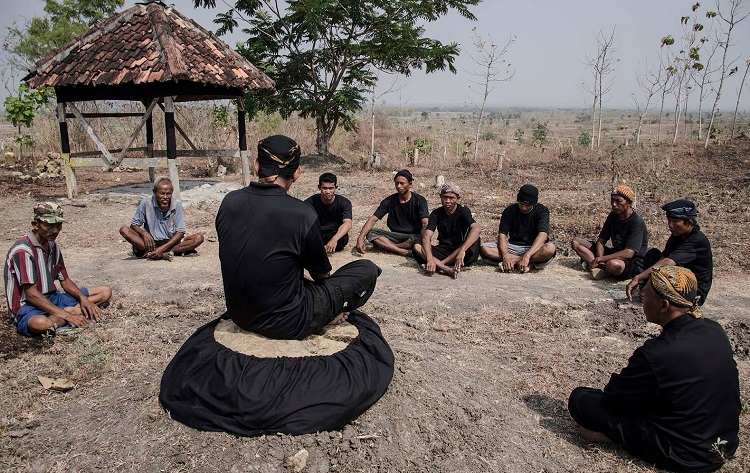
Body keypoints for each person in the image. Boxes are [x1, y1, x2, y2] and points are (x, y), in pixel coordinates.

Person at [568, 266, 740, 472]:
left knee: (581, 399)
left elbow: (612, 401)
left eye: (646, 294)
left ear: (664, 305)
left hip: (684, 454)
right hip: (725, 443)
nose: (642, 298)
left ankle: (611, 437)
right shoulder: (715, 330)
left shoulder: (658, 353)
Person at [215, 135, 381, 340]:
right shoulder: (302, 213)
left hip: (240, 313)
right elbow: (321, 276)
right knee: (367, 269)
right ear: (297, 172)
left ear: (256, 166)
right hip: (287, 322)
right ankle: (327, 314)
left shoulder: (229, 202)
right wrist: (327, 301)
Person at [4, 202, 112, 336]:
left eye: (58, 225)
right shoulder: (23, 251)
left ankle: (66, 313)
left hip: (53, 298)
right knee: (40, 324)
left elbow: (65, 280)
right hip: (27, 306)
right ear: (35, 225)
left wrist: (83, 299)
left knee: (105, 291)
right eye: (49, 225)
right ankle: (69, 313)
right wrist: (68, 316)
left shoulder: (52, 245)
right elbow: (31, 295)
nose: (55, 230)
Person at [626, 199, 712, 305]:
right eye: (669, 220)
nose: (670, 225)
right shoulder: (677, 235)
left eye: (675, 222)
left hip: (692, 291)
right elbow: (663, 258)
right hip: (678, 278)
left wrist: (638, 277)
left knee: (661, 270)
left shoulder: (697, 240)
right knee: (653, 255)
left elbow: (668, 262)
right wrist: (647, 282)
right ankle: (648, 291)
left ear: (689, 222)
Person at [571, 185, 648, 280]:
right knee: (576, 242)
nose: (614, 204)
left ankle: (600, 267)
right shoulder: (613, 215)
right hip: (615, 253)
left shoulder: (636, 222)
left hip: (631, 261)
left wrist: (601, 259)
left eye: (618, 201)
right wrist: (601, 259)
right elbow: (601, 241)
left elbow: (628, 253)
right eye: (612, 200)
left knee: (614, 265)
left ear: (628, 202)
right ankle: (600, 268)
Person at [119, 177, 204, 261]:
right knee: (124, 230)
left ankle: (158, 252)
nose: (165, 197)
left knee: (198, 238)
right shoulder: (146, 202)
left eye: (169, 194)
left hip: (170, 243)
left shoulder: (177, 204)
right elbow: (134, 225)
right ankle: (161, 253)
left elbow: (180, 232)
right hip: (150, 243)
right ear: (154, 192)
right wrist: (144, 233)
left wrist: (163, 248)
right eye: (162, 193)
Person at [480, 184, 556, 272]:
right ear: (518, 200)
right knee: (484, 249)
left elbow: (543, 235)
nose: (523, 207)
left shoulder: (542, 211)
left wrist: (527, 256)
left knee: (550, 249)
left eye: (527, 205)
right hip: (513, 247)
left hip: (533, 248)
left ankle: (515, 262)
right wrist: (505, 256)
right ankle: (524, 263)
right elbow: (502, 235)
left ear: (534, 203)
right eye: (521, 204)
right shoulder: (509, 211)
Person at [412, 181, 481, 278]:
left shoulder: (463, 211)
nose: (447, 201)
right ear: (440, 197)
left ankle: (439, 265)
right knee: (417, 244)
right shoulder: (436, 213)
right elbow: (427, 236)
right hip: (444, 250)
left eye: (451, 198)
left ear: (458, 199)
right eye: (445, 197)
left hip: (461, 253)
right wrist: (430, 258)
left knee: (475, 239)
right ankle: (445, 268)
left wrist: (462, 250)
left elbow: (476, 228)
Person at [355, 169, 429, 257]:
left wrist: (425, 239)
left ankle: (389, 247)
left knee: (419, 238)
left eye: (402, 183)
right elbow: (373, 219)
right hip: (394, 236)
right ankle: (403, 251)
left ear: (410, 184)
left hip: (413, 236)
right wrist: (360, 238)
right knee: (370, 232)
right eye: (396, 183)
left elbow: (425, 223)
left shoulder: (420, 200)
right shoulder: (389, 201)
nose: (399, 186)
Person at [304, 173, 353, 254]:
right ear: (319, 187)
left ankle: (321, 248)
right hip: (317, 233)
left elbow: (348, 223)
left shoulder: (344, 203)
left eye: (331, 188)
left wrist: (334, 239)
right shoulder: (310, 202)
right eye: (324, 188)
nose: (328, 192)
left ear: (336, 188)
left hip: (333, 233)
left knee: (343, 237)